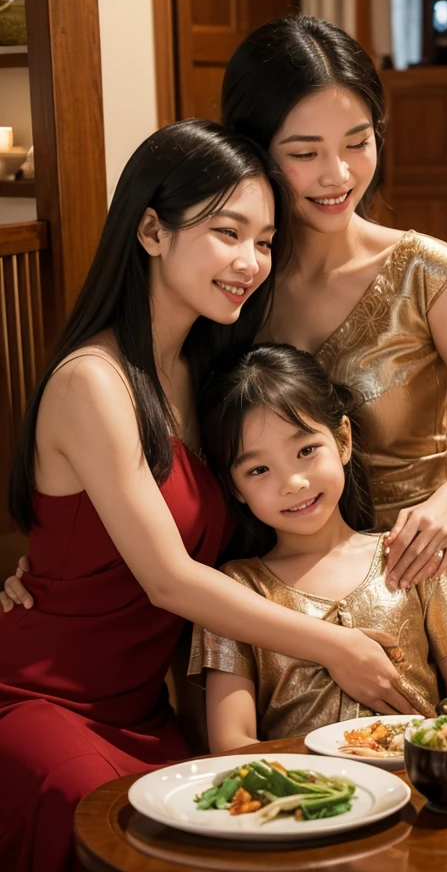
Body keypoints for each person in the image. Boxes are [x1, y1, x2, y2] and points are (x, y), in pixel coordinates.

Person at [0, 120, 412, 872]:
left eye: (263, 240)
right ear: (151, 230)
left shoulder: (205, 371)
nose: (250, 262)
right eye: (228, 232)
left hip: (146, 713)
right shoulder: (93, 381)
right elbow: (165, 577)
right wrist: (340, 648)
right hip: (44, 702)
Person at [221, 14, 447, 615]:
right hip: (285, 583)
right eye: (305, 153)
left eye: (358, 143)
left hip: (419, 566)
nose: (338, 175)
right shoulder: (239, 284)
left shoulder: (426, 271)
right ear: (254, 152)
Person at [191, 344, 447, 752]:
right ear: (235, 488)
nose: (293, 482)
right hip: (308, 805)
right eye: (258, 469)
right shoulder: (236, 590)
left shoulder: (413, 555)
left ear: (343, 439)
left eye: (305, 450)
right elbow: (231, 744)